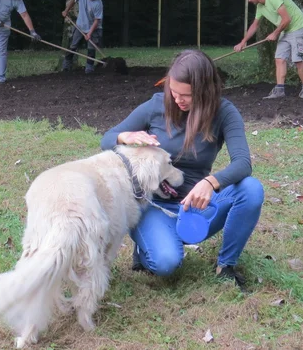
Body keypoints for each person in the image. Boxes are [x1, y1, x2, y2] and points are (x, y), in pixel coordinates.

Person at [100, 49, 264, 289]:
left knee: (251, 189)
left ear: (205, 91)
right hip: (154, 204)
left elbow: (243, 163)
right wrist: (126, 136)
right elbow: (107, 139)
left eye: (186, 95)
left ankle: (225, 265)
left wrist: (210, 183)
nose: (178, 100)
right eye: (174, 92)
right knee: (165, 263)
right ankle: (150, 242)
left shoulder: (224, 112)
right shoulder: (156, 105)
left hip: (195, 204)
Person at [235, 0, 303, 100]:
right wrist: (243, 42)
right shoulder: (260, 7)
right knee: (279, 59)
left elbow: (287, 19)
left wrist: (275, 33)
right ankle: (279, 90)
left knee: (298, 60)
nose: (249, 1)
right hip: (285, 30)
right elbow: (254, 25)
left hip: (298, 28)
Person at [61, 0, 104, 74]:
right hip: (80, 25)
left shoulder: (98, 3)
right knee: (72, 46)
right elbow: (73, 0)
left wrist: (89, 33)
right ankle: (66, 67)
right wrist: (66, 11)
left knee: (91, 49)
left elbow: (97, 20)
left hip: (94, 28)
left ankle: (89, 69)